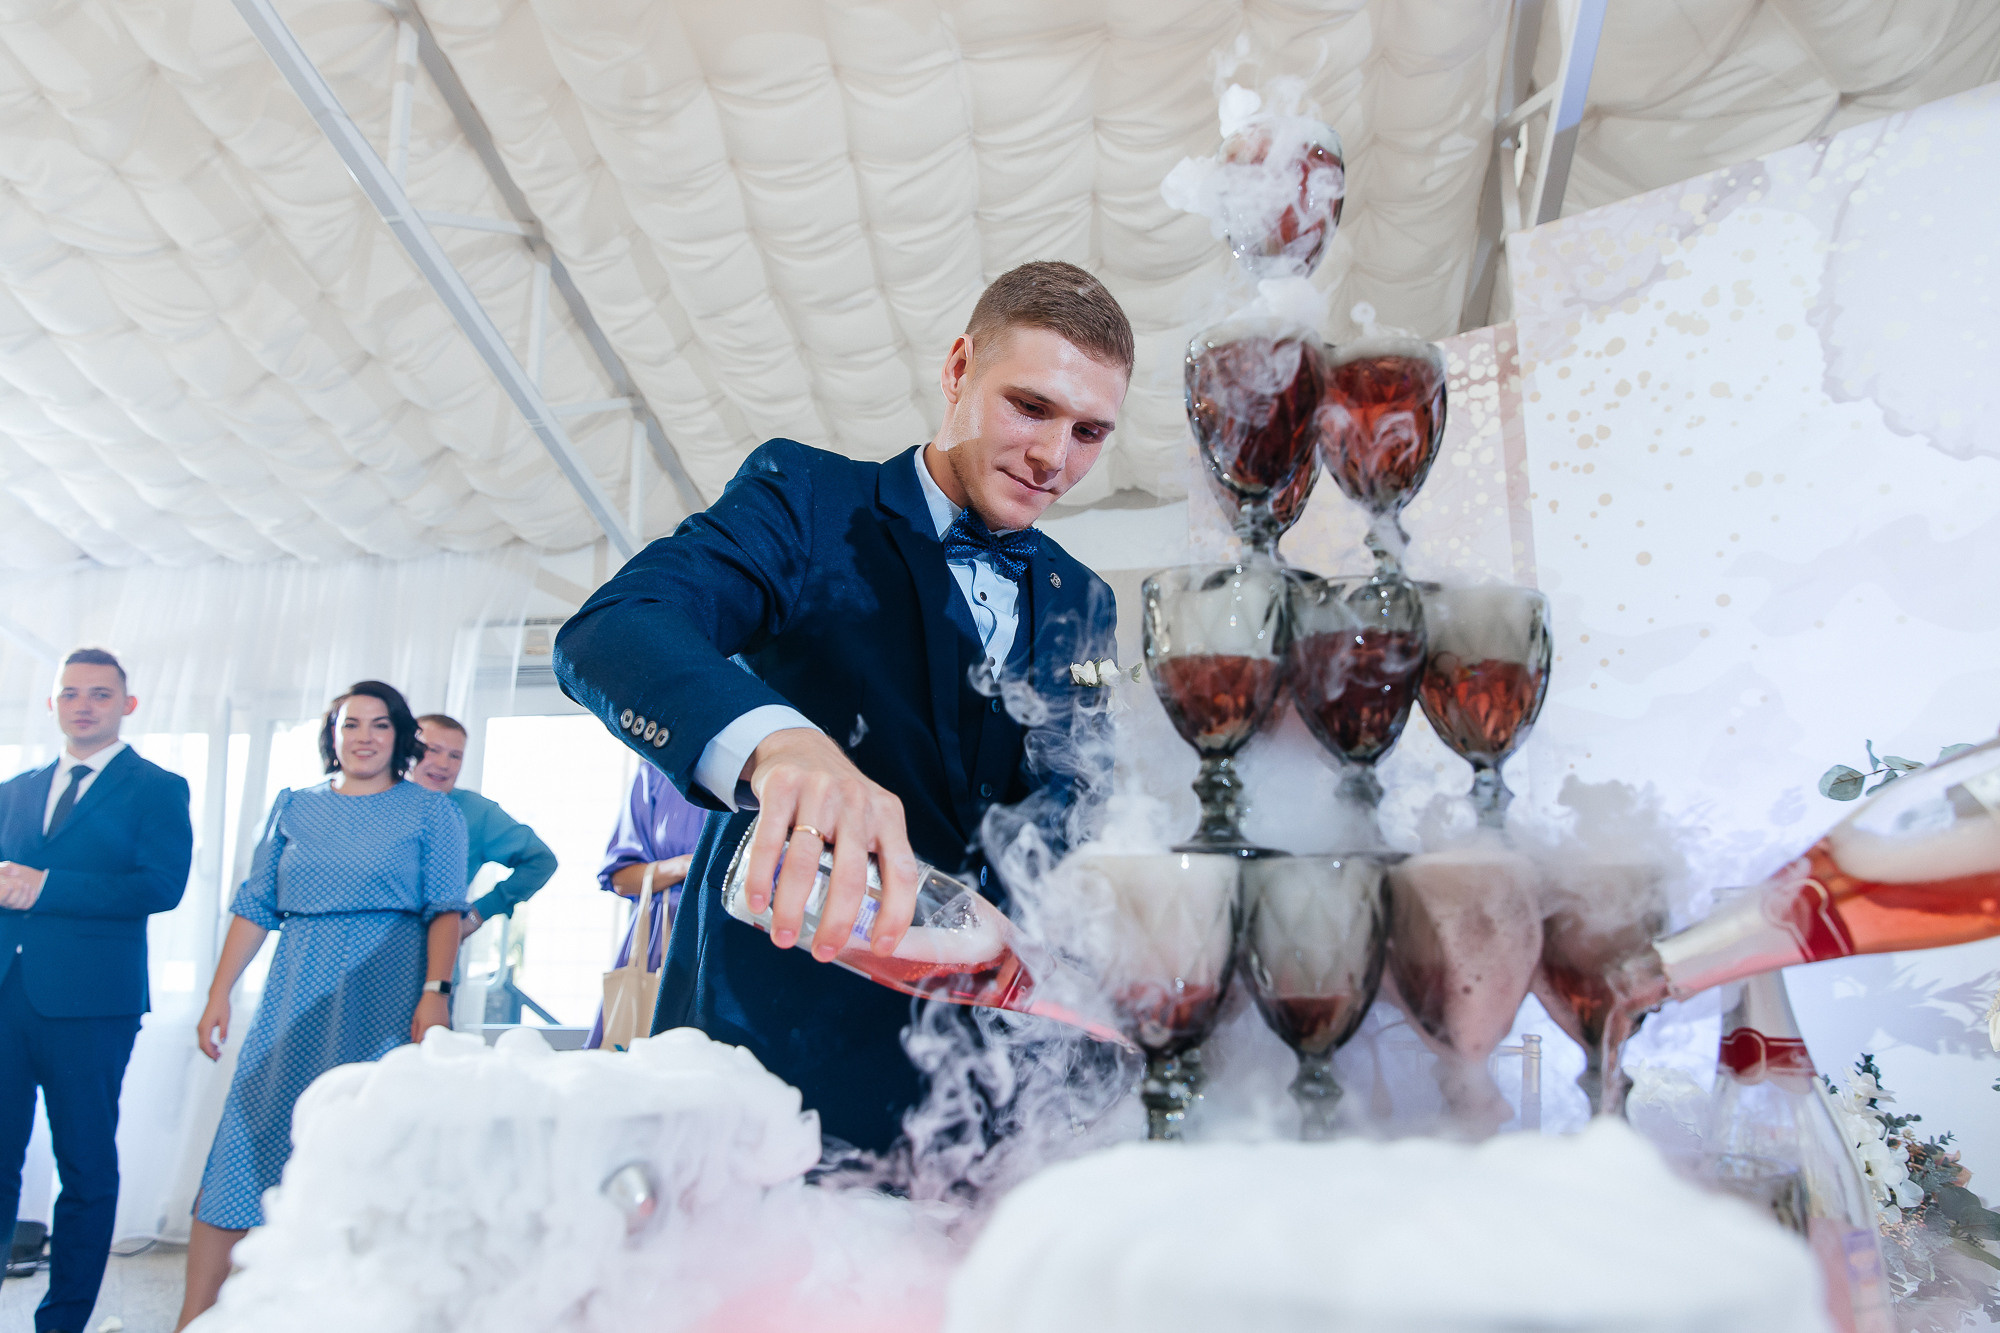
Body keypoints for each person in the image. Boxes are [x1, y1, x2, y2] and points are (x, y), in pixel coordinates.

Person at [554, 260, 1130, 1152]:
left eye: (1090, 431)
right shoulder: (809, 498)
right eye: (1031, 408)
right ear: (958, 368)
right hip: (781, 1057)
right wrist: (782, 745)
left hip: (986, 1088)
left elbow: (1071, 803)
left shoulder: (1084, 597)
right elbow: (619, 626)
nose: (1056, 458)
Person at [176, 681, 464, 1330]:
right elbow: (255, 906)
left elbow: (446, 907)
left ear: (400, 737)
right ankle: (194, 1317)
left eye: (380, 724)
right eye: (349, 723)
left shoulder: (429, 811)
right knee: (244, 1144)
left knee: (368, 1151)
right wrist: (219, 992)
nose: (363, 735)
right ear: (331, 735)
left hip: (386, 992)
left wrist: (434, 993)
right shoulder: (292, 806)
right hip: (293, 987)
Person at [0, 648, 192, 1333]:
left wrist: (47, 886)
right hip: (6, 996)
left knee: (84, 1165)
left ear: (126, 705)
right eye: (71, 692)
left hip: (93, 1005)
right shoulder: (14, 789)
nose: (84, 704)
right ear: (53, 703)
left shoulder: (156, 787)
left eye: (100, 694)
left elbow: (160, 885)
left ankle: (61, 1322)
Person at [584, 764, 706, 1049]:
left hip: (737, 938)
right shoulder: (656, 774)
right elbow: (621, 879)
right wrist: (681, 865)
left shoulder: (769, 773)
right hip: (663, 939)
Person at [409, 714, 557, 941]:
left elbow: (541, 861)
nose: (443, 764)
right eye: (433, 749)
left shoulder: (476, 812)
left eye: (455, 756)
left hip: (433, 957)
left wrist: (478, 914)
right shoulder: (371, 800)